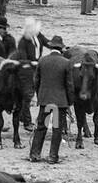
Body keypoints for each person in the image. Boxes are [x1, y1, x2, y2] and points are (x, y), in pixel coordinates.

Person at [29, 35, 73, 164]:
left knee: (41, 127)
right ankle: (53, 156)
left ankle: (35, 154)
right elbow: (69, 85)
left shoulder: (42, 60)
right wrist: (69, 102)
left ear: (51, 47)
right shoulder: (66, 62)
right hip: (59, 103)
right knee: (56, 129)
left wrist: (40, 96)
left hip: (45, 101)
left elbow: (36, 81)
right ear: (61, 48)